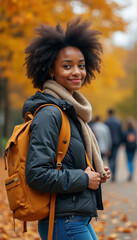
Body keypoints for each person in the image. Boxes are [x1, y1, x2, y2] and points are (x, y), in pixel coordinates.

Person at [23, 18, 110, 240]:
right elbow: (37, 174)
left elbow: (66, 160)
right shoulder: (50, 114)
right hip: (64, 221)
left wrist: (95, 171)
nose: (77, 72)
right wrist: (83, 178)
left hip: (76, 218)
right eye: (67, 65)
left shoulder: (71, 112)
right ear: (51, 70)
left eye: (81, 65)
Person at [105, 108, 122, 181]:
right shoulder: (118, 121)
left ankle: (112, 171)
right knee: (114, 158)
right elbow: (120, 132)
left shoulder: (106, 122)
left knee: (109, 158)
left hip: (109, 143)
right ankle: (114, 173)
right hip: (117, 142)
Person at [122, 117, 137, 181]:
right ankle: (131, 172)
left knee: (129, 160)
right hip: (134, 147)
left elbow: (123, 140)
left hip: (128, 147)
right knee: (132, 160)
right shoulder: (135, 132)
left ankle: (130, 172)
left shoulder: (125, 132)